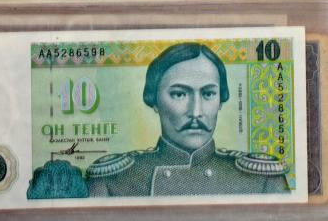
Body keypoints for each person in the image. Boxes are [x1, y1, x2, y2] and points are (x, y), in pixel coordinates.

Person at [86, 42, 290, 196]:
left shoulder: (262, 180)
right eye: (179, 94)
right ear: (154, 100)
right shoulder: (111, 182)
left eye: (208, 94)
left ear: (221, 100)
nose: (196, 112)